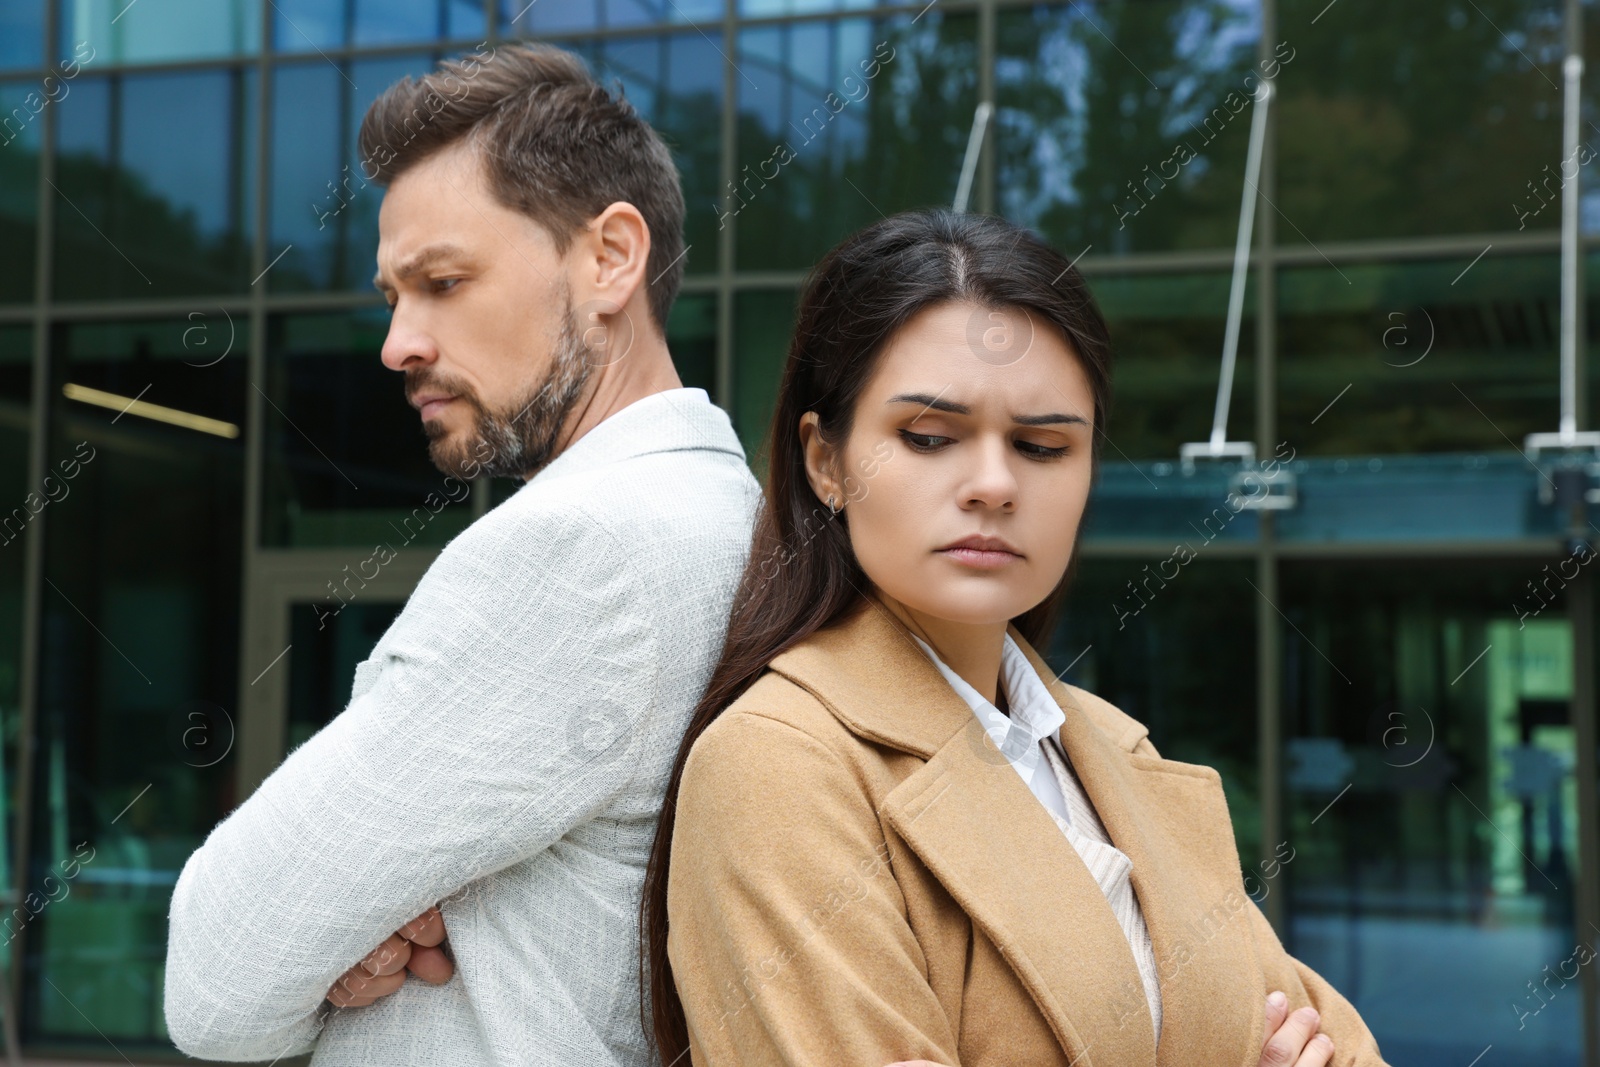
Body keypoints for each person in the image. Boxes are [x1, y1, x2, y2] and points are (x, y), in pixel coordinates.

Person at [643, 209, 1390, 1067]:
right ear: (825, 461)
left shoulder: (1112, 750)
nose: (994, 484)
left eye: (1041, 445)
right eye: (929, 437)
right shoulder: (777, 764)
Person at [163, 43, 761, 1065]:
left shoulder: (579, 551)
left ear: (611, 256)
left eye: (443, 281)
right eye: (394, 295)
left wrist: (338, 927)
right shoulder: (725, 511)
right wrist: (365, 921)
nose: (397, 343)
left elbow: (214, 979)